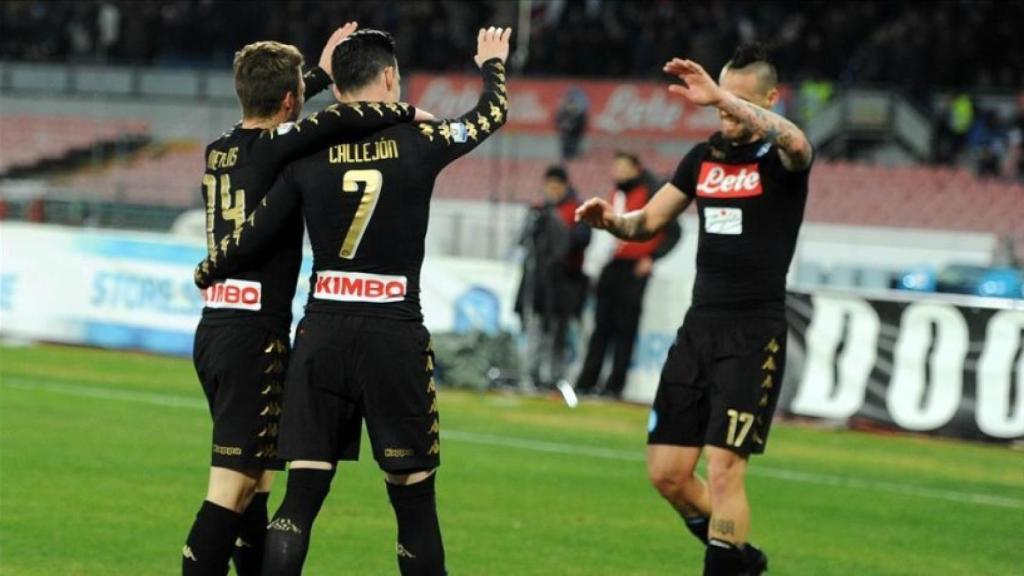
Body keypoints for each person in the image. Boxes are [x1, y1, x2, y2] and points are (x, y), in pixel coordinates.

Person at [193, 26, 511, 575]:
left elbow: (255, 232)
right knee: (413, 504)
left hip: (322, 336)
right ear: (390, 77)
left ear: (335, 92)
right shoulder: (421, 141)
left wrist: (210, 268)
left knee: (298, 501)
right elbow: (490, 114)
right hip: (393, 332)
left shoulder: (304, 155)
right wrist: (492, 65)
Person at [576, 43, 813, 575]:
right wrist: (610, 221)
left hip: (754, 334)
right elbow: (646, 223)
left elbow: (796, 140)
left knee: (725, 469)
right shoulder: (702, 159)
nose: (723, 110)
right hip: (699, 328)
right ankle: (742, 560)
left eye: (736, 101)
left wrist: (723, 95)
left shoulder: (781, 161)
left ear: (770, 99)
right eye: (719, 101)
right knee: (668, 474)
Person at [574, 151, 679, 399]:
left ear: (636, 169)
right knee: (601, 327)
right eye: (616, 168)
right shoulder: (616, 194)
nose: (618, 173)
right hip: (612, 265)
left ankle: (614, 385)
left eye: (623, 168)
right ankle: (587, 381)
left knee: (625, 329)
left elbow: (674, 231)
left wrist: (651, 258)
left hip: (633, 269)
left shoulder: (651, 191)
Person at [515, 165, 590, 392]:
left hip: (565, 282)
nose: (552, 190)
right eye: (549, 185)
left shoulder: (577, 210)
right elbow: (524, 241)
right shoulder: (539, 211)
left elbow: (582, 239)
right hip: (538, 282)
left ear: (565, 186)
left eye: (556, 186)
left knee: (560, 330)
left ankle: (556, 377)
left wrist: (558, 230)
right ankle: (532, 374)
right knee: (535, 327)